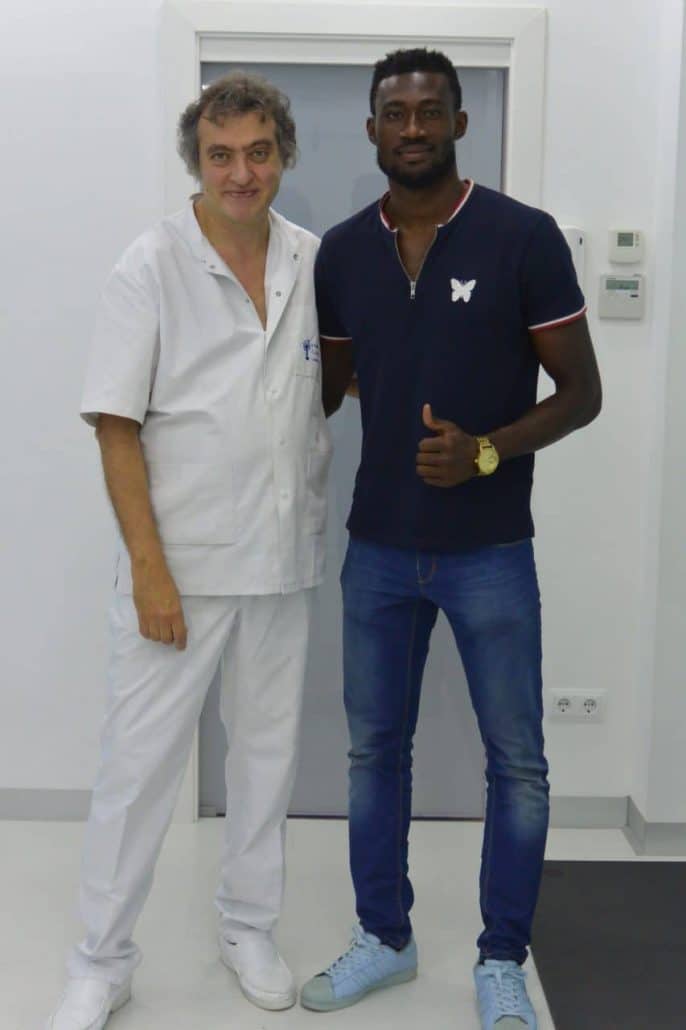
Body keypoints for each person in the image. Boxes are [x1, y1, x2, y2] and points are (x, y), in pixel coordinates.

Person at [300, 48, 601, 1030]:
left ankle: (501, 959)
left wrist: (484, 453)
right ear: (374, 130)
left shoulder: (522, 238)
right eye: (396, 112)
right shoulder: (341, 253)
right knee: (371, 751)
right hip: (376, 548)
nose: (414, 127)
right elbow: (325, 389)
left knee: (514, 760)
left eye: (432, 110)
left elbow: (581, 394)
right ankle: (384, 937)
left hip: (487, 551)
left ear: (461, 124)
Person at [45, 72, 331, 1030]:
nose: (241, 172)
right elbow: (115, 424)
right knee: (139, 771)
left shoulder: (312, 258)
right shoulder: (152, 262)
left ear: (283, 154)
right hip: (182, 569)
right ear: (196, 163)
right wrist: (150, 569)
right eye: (221, 154)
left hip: (283, 562)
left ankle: (249, 926)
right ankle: (100, 960)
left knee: (264, 762)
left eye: (258, 152)